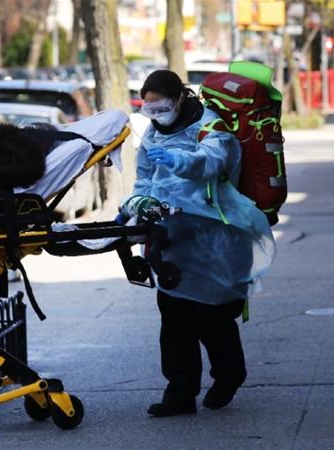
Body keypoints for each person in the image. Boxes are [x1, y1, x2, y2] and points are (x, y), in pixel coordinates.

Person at [122, 70, 274, 417]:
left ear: (179, 99)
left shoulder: (209, 126)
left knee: (213, 316)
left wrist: (178, 160)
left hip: (214, 238)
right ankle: (180, 393)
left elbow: (212, 161)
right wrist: (139, 202)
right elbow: (144, 177)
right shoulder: (153, 132)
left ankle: (229, 375)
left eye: (162, 108)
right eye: (149, 109)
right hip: (173, 236)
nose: (156, 115)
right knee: (174, 318)